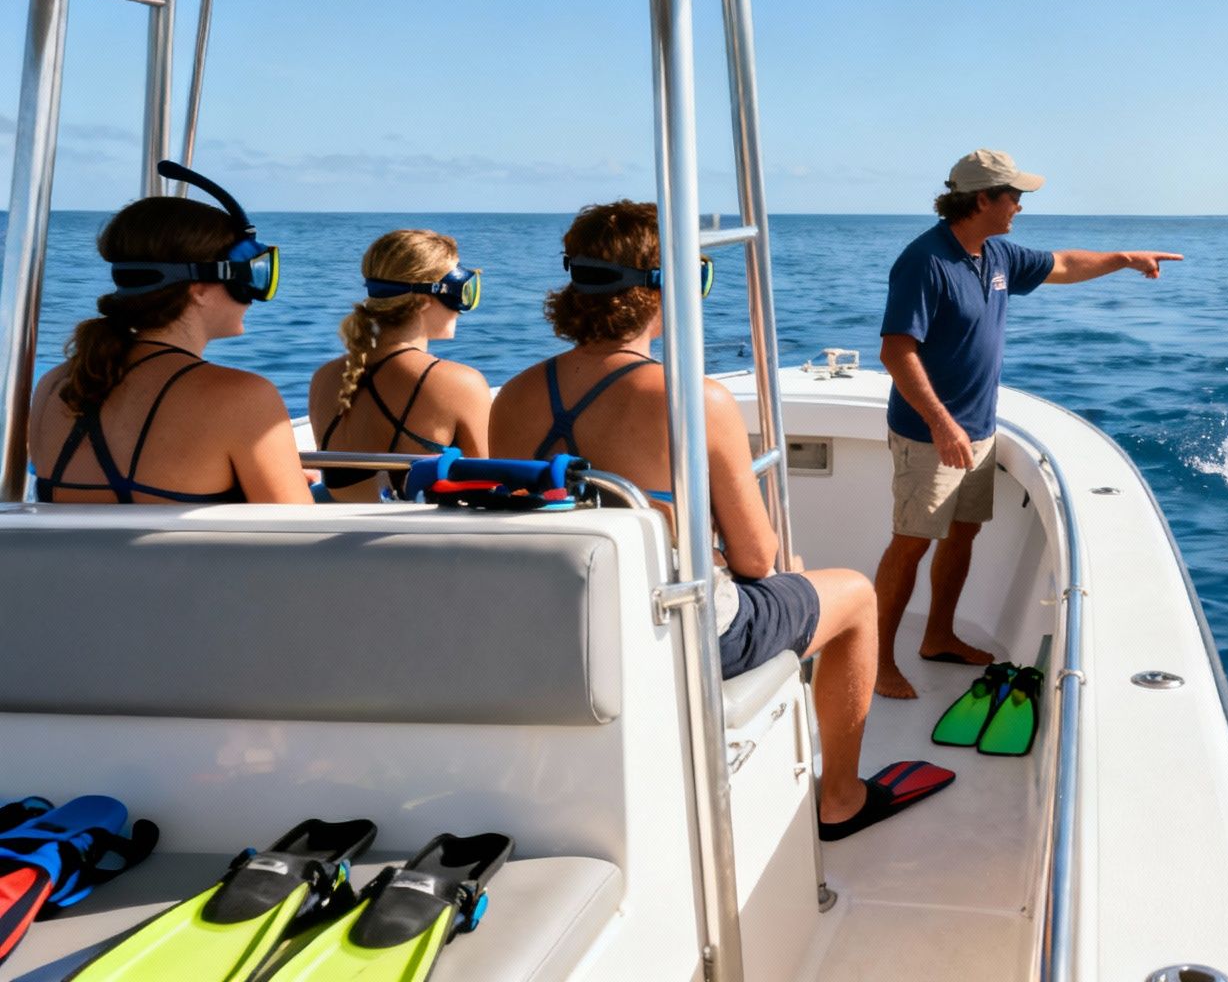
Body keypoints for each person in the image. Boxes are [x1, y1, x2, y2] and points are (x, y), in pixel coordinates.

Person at [491, 201, 930, 839]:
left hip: (555, 624)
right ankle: (840, 798)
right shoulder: (694, 398)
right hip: (672, 629)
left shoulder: (514, 395)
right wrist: (771, 570)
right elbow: (757, 560)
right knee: (855, 596)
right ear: (660, 286)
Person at [874, 149, 1183, 698]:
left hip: (978, 427)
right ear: (982, 199)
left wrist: (1124, 257)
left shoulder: (994, 254)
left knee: (963, 534)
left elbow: (1061, 265)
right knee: (911, 544)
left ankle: (938, 635)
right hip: (930, 432)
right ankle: (876, 662)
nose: (1021, 204)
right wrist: (942, 424)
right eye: (1014, 195)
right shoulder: (925, 261)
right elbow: (897, 352)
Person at [28, 166, 312, 505]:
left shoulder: (53, 385)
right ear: (199, 290)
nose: (253, 296)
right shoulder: (243, 397)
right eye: (251, 276)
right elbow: (298, 541)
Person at [308, 230, 491, 500]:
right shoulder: (460, 383)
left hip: (341, 535)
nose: (461, 308)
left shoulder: (324, 378)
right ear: (422, 300)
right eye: (463, 292)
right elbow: (487, 484)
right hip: (418, 538)